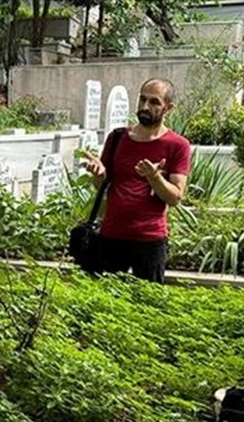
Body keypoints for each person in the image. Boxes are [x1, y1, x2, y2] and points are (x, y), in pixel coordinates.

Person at [82, 78, 191, 283]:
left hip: (150, 239)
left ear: (169, 107)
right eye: (142, 99)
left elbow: (175, 197)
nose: (145, 106)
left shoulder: (178, 145)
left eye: (154, 102)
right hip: (111, 236)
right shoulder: (118, 138)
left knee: (148, 306)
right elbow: (101, 186)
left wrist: (154, 176)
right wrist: (97, 174)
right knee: (104, 306)